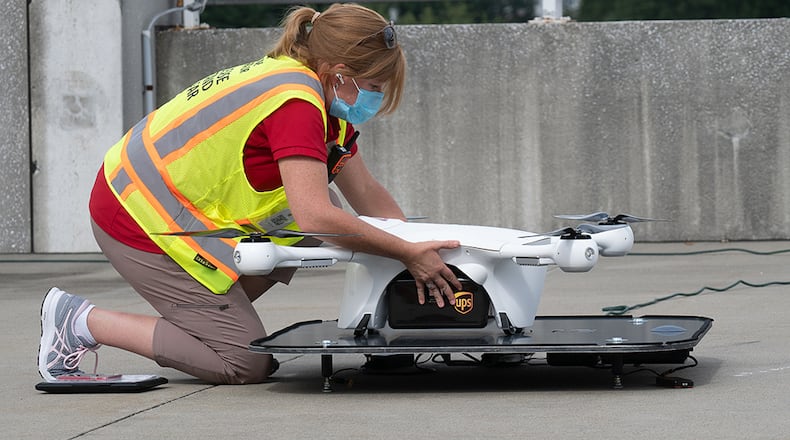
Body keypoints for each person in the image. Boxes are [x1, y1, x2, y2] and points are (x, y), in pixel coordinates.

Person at [38, 3, 462, 385]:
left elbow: (366, 193)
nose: (378, 95)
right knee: (244, 360)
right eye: (373, 83)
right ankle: (80, 322)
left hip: (175, 207)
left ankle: (208, 318)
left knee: (331, 222)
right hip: (134, 214)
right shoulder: (295, 103)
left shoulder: (322, 101)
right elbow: (315, 216)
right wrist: (405, 253)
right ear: (338, 71)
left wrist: (413, 253)